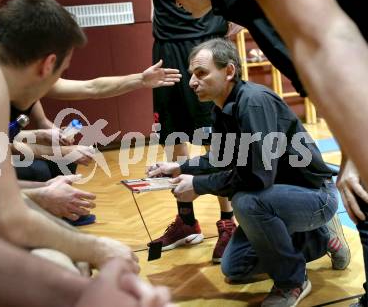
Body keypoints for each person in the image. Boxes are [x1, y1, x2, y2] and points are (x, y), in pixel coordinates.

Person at [0, 0, 171, 307]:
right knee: (65, 260)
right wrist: (99, 248)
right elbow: (5, 219)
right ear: (49, 64)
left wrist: (36, 194)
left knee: (70, 258)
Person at [147, 38, 350, 306]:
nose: (192, 83)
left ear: (229, 71)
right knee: (235, 268)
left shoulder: (253, 103)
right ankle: (321, 239)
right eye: (191, 75)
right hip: (279, 197)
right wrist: (178, 167)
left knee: (246, 201)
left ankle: (292, 281)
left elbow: (257, 176)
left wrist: (198, 185)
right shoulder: (221, 107)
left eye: (201, 73)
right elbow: (220, 158)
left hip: (315, 197)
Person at [150, 0, 236, 263]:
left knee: (216, 139)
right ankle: (186, 220)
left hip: (204, 41)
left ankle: (228, 223)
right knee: (173, 136)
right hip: (166, 45)